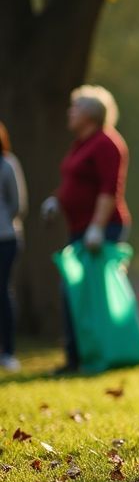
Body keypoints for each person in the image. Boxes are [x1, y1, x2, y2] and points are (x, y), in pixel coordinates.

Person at [41, 86, 132, 375]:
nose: (70, 112)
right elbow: (75, 182)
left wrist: (97, 227)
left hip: (101, 229)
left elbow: (109, 189)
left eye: (75, 107)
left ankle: (92, 356)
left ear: (91, 114)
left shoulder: (106, 142)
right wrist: (57, 199)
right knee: (76, 293)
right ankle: (78, 357)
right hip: (79, 228)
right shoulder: (81, 143)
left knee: (85, 295)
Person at [0, 121, 28, 372]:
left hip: (5, 238)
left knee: (2, 291)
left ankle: (8, 351)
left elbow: (18, 204)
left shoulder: (8, 164)